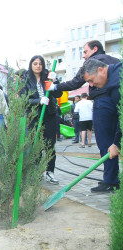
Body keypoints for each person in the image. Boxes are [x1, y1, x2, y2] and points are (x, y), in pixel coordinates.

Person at [47, 40, 120, 191]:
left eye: (85, 52)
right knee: (112, 141)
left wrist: (55, 86)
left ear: (95, 49)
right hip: (112, 104)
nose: (83, 56)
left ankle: (111, 181)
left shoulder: (93, 64)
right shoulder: (115, 63)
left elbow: (75, 83)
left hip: (103, 104)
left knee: (105, 142)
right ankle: (112, 179)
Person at [80, 59, 121, 192]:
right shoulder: (116, 71)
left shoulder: (116, 84)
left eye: (91, 80)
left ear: (100, 70)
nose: (92, 85)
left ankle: (111, 182)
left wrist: (116, 143)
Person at [21, 55, 63, 185]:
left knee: (50, 145)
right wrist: (38, 101)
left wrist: (55, 84)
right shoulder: (26, 80)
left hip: (49, 116)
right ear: (31, 65)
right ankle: (37, 172)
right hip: (34, 117)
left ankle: (50, 172)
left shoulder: (49, 77)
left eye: (40, 63)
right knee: (37, 146)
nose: (38, 66)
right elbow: (23, 100)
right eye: (35, 63)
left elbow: (58, 94)